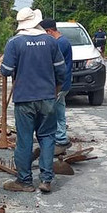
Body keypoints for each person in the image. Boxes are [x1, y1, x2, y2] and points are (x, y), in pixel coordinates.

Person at [0, 8, 66, 193]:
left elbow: (5, 70)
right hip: (47, 98)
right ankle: (46, 180)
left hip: (24, 99)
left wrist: (2, 64)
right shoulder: (51, 41)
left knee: (25, 140)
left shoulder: (14, 42)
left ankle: (25, 181)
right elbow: (61, 71)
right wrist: (56, 90)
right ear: (37, 21)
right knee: (47, 138)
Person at [40, 18, 72, 155]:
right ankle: (61, 136)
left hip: (60, 84)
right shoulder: (63, 41)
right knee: (59, 110)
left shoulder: (60, 44)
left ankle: (60, 138)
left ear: (49, 31)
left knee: (52, 112)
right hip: (64, 83)